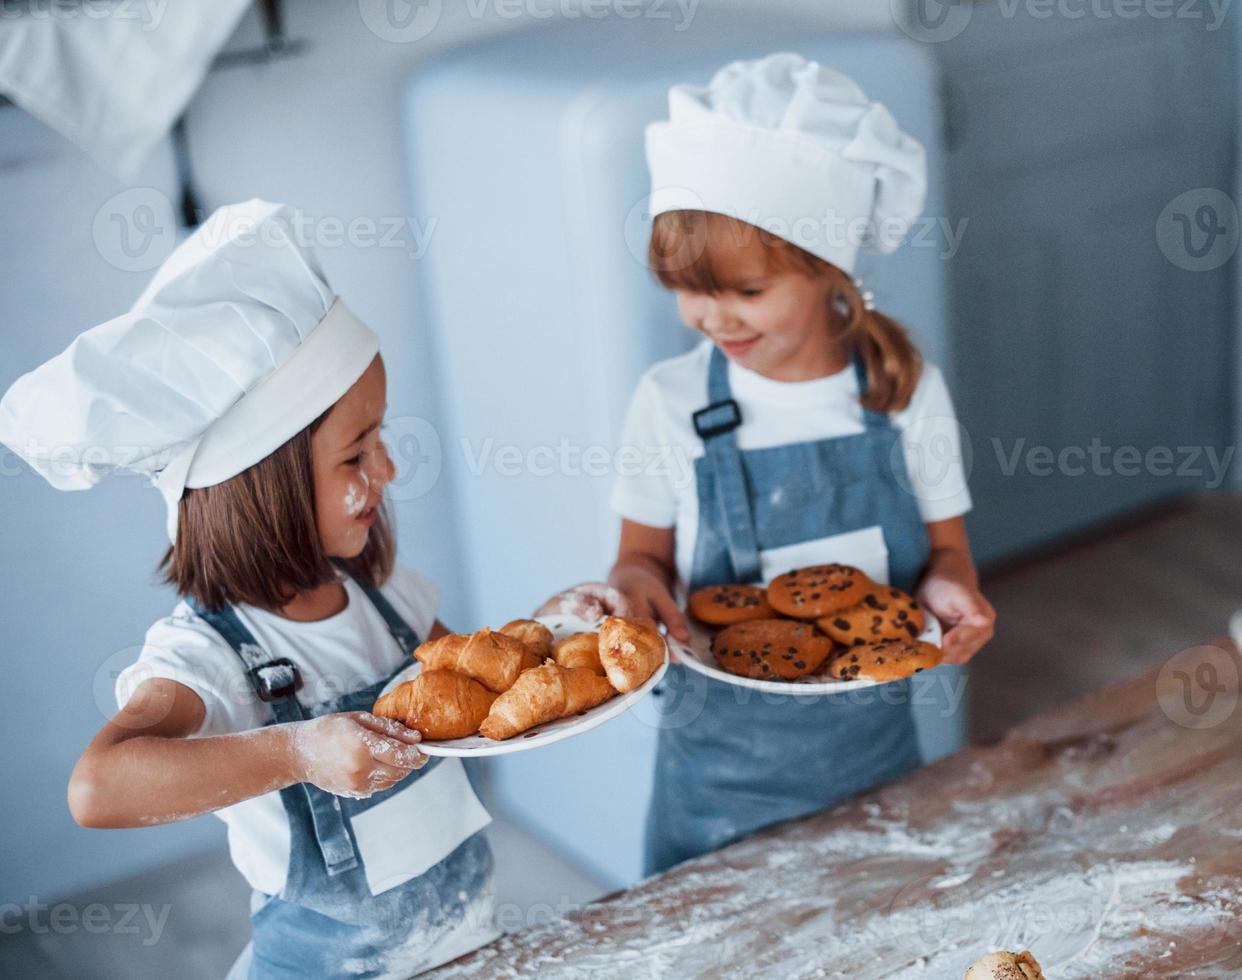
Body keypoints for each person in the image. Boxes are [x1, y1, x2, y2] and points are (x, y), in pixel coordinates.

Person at [0, 200, 619, 977]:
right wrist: (296, 751)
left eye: (381, 440)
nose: (387, 472)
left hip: (465, 943)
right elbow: (97, 788)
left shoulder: (386, 595)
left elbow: (479, 691)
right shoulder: (211, 656)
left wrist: (555, 631)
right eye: (356, 455)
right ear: (262, 489)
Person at [607, 54, 997, 874]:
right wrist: (636, 589)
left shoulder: (904, 392)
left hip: (875, 764)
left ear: (828, 270)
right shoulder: (669, 402)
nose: (710, 315)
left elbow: (946, 553)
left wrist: (952, 590)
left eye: (746, 291)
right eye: (686, 288)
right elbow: (638, 557)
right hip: (714, 784)